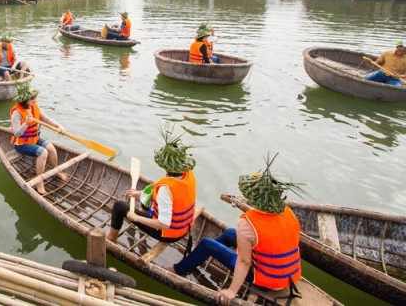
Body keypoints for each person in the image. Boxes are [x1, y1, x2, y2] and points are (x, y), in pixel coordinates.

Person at [171, 155, 304, 304]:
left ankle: (179, 269)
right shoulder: (289, 212)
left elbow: (244, 261)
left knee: (207, 244)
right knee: (229, 234)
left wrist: (231, 291)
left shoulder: (248, 223)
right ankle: (200, 255)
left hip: (264, 279)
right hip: (290, 276)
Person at [106, 129, 197, 244]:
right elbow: (167, 187)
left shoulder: (165, 189)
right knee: (149, 190)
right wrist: (139, 193)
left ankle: (110, 237)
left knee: (119, 206)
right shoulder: (188, 174)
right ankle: (142, 213)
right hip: (184, 228)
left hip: (167, 233)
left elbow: (164, 224)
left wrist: (136, 218)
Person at [10, 84, 68, 196]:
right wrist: (26, 123)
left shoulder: (34, 106)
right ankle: (39, 181)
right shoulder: (16, 112)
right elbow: (16, 133)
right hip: (21, 144)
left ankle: (56, 171)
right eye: (32, 98)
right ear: (25, 100)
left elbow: (45, 118)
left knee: (51, 148)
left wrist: (58, 126)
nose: (35, 100)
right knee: (43, 153)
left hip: (34, 139)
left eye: (35, 97)